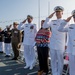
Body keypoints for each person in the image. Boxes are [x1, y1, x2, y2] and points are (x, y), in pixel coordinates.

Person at [42, 6, 66, 75]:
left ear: (62, 13)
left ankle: (59, 73)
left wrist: (66, 45)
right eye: (56, 12)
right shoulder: (52, 22)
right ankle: (54, 73)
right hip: (52, 44)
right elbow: (44, 26)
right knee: (53, 60)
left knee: (60, 61)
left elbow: (68, 34)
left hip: (61, 45)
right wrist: (48, 18)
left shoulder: (65, 22)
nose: (58, 13)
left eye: (59, 12)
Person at [58, 10, 75, 75]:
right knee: (72, 68)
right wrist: (65, 21)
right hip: (71, 51)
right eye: (74, 17)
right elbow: (60, 29)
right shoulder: (70, 26)